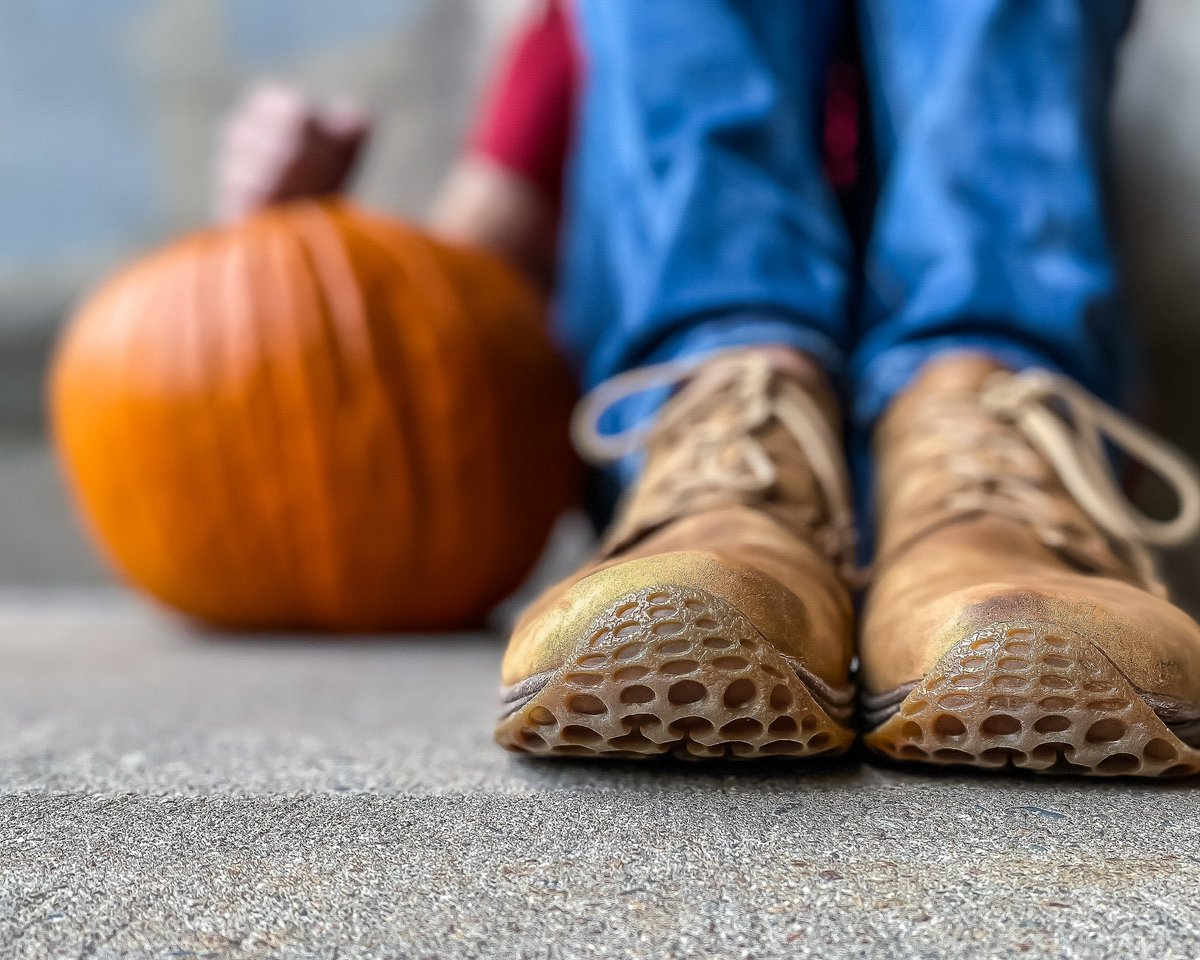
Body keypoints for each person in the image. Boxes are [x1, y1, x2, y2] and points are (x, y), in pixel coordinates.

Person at [222, 0, 1200, 777]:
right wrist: (290, 256)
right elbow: (452, 304)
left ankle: (980, 419)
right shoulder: (592, 34)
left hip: (999, 477)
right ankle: (730, 402)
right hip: (707, 470)